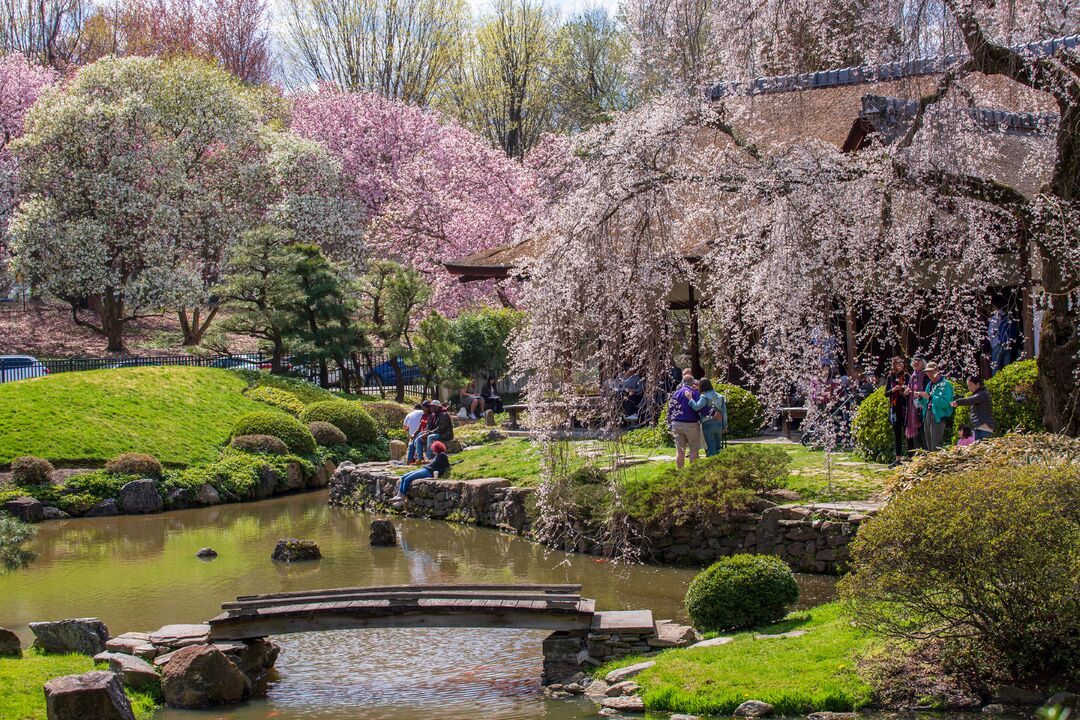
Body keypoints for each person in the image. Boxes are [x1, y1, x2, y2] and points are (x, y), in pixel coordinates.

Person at [393, 440, 450, 505]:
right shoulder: (437, 455)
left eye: (433, 449)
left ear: (437, 449)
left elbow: (446, 466)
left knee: (407, 479)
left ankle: (402, 499)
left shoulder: (442, 455)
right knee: (403, 477)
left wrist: (440, 472)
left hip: (428, 472)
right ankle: (399, 495)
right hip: (425, 469)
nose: (432, 451)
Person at [668, 372, 703, 469]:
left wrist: (669, 423)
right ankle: (693, 473)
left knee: (680, 450)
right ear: (693, 383)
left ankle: (680, 472)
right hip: (691, 423)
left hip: (677, 423)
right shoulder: (694, 393)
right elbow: (699, 407)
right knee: (694, 450)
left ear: (683, 382)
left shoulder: (676, 393)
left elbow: (670, 409)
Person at [915, 363, 954, 451]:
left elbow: (946, 402)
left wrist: (930, 397)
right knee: (928, 443)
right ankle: (931, 463)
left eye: (931, 371)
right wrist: (921, 397)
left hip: (938, 416)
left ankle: (938, 464)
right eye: (927, 372)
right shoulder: (930, 384)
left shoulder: (945, 384)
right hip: (927, 413)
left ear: (937, 371)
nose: (928, 374)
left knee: (936, 444)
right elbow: (926, 401)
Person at [690, 378, 728, 456]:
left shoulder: (704, 397)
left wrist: (690, 399)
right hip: (719, 424)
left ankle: (711, 465)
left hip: (708, 423)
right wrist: (725, 426)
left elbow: (697, 407)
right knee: (718, 448)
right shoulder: (720, 397)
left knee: (711, 447)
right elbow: (724, 413)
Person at [951, 375, 995, 441]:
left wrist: (958, 402)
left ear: (977, 384)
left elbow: (970, 400)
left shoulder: (982, 394)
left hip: (984, 426)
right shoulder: (980, 393)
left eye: (971, 385)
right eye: (968, 386)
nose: (969, 388)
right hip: (979, 426)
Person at [884, 356, 909, 465]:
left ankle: (910, 457)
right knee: (897, 433)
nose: (900, 365)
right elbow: (886, 393)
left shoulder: (907, 376)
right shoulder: (891, 376)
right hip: (895, 408)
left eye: (902, 363)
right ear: (894, 365)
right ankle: (898, 458)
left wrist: (904, 388)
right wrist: (894, 389)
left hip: (905, 407)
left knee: (908, 433)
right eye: (898, 363)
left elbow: (911, 389)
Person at [904, 355, 928, 452]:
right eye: (914, 361)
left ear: (923, 363)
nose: (916, 363)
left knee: (923, 433)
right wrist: (907, 392)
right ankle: (918, 457)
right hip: (913, 408)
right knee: (916, 435)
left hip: (923, 406)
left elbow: (928, 391)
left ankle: (926, 455)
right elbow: (910, 389)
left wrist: (920, 394)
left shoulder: (925, 375)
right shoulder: (912, 376)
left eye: (918, 361)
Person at [988, 300, 1015, 374]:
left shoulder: (995, 317)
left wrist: (993, 343)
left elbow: (991, 332)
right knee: (1007, 368)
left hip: (998, 344)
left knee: (995, 368)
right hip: (1007, 343)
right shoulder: (1007, 316)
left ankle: (995, 384)